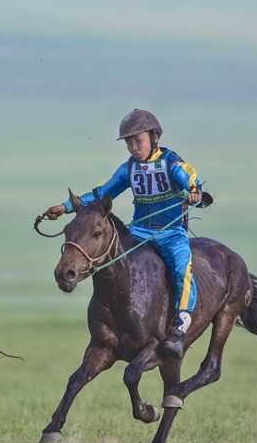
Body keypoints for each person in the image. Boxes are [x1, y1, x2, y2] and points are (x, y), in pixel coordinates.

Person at [43, 109, 202, 358]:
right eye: (129, 142)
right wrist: (64, 207)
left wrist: (194, 189)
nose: (133, 147)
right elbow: (100, 193)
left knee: (183, 269)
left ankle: (180, 328)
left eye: (138, 140)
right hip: (138, 231)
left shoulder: (171, 162)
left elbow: (190, 176)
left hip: (171, 233)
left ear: (155, 137)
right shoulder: (128, 169)